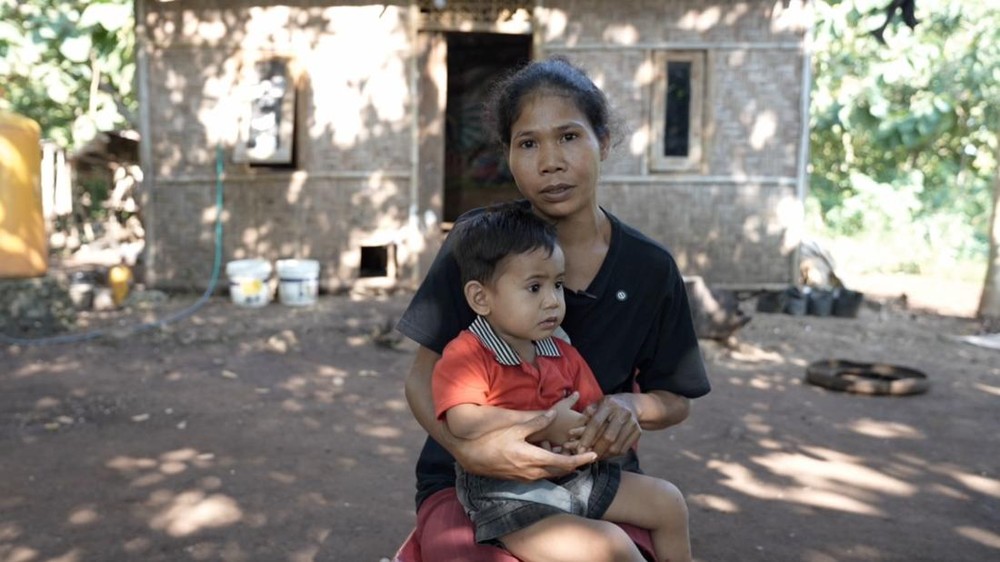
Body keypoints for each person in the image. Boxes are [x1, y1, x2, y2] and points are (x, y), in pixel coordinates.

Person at [397, 55, 711, 561]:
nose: (550, 162)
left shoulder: (650, 269)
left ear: (603, 142)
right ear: (509, 156)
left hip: (590, 470)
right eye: (528, 143)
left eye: (568, 137)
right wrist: (471, 450)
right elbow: (421, 379)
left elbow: (676, 398)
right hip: (469, 481)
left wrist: (630, 406)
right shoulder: (480, 245)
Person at [434, 201, 692, 562]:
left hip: (575, 475)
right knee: (612, 545)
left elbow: (592, 409)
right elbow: (463, 421)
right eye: (534, 287)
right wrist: (544, 422)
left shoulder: (561, 353)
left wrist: (600, 432)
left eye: (557, 285)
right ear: (481, 297)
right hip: (509, 492)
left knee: (668, 501)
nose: (553, 301)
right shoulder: (468, 354)